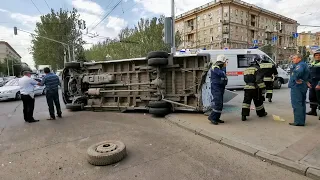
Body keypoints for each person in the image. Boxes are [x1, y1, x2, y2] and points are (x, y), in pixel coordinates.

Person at [289, 54, 310, 126]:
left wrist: (296, 79)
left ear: (299, 58)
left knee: (297, 103)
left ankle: (298, 121)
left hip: (297, 86)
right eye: (293, 58)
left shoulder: (300, 65)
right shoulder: (304, 64)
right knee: (301, 103)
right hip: (302, 85)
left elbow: (298, 72)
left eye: (294, 58)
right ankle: (301, 120)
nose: (293, 59)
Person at [208, 55, 228, 125]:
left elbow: (224, 77)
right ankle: (212, 117)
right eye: (225, 61)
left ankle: (216, 118)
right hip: (216, 87)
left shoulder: (221, 67)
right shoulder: (215, 67)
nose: (226, 63)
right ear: (222, 61)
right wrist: (224, 68)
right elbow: (221, 74)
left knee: (220, 104)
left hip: (220, 87)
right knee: (217, 103)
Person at [306, 49, 320, 119]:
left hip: (318, 83)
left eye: (319, 55)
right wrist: (308, 82)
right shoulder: (313, 63)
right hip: (312, 83)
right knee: (312, 97)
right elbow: (309, 73)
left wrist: (319, 84)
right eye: (316, 55)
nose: (318, 56)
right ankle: (313, 111)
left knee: (319, 98)